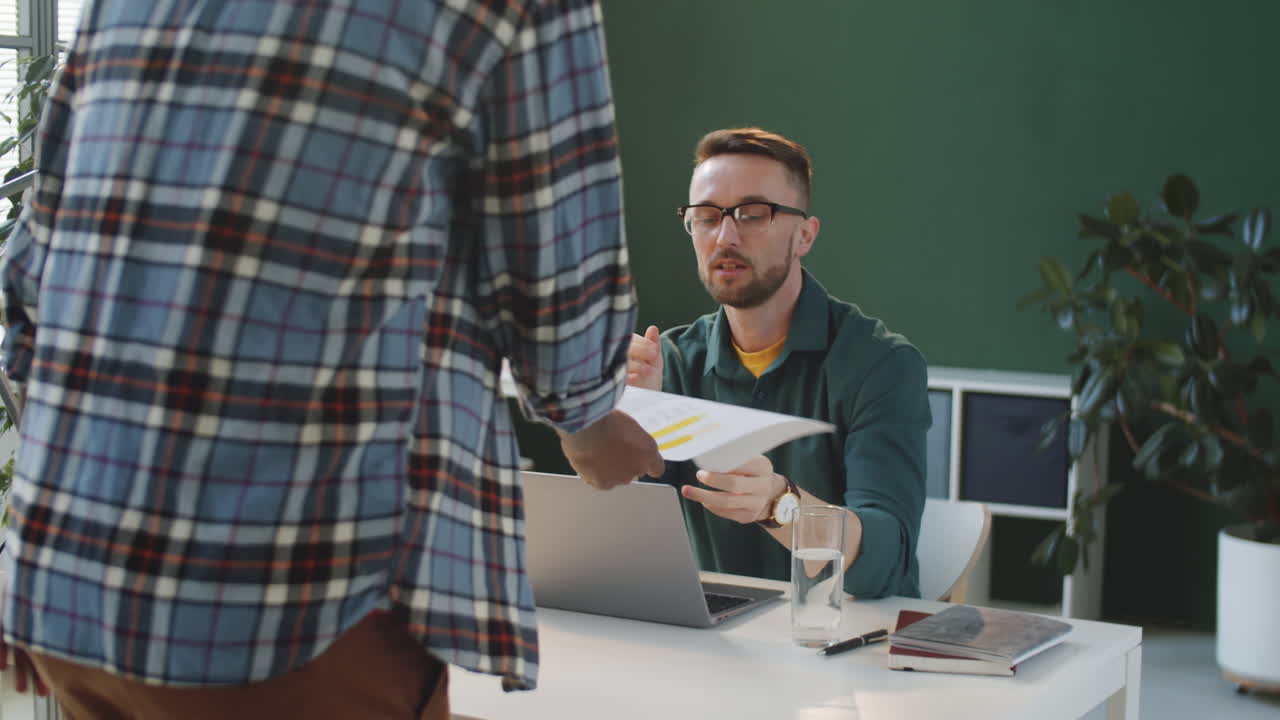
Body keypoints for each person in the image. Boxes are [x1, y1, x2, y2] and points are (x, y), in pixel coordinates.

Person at [0, 1, 663, 717]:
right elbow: (556, 262)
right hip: (287, 610)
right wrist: (590, 425)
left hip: (71, 591)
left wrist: (33, 566)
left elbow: (37, 269)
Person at [627, 127, 930, 599]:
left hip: (844, 648)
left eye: (753, 214)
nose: (725, 236)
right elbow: (625, 546)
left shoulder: (882, 365)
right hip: (712, 649)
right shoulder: (669, 362)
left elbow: (886, 562)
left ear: (805, 235)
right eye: (706, 217)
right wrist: (627, 418)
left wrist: (777, 503)